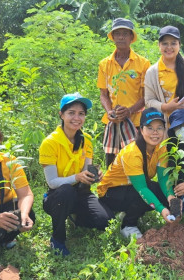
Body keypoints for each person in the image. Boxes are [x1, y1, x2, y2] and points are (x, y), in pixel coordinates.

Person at [39, 92, 114, 256]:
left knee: (105, 220)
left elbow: (86, 171)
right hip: (57, 195)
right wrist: (76, 177)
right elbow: (52, 182)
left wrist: (93, 176)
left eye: (81, 113)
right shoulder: (50, 143)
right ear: (61, 114)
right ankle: (57, 239)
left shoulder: (86, 140)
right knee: (66, 191)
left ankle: (74, 215)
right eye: (71, 113)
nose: (76, 118)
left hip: (80, 192)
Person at [98, 108, 175, 239]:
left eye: (160, 128)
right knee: (146, 191)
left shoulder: (161, 148)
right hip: (110, 193)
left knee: (161, 191)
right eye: (150, 128)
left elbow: (163, 178)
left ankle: (130, 212)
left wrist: (171, 198)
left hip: (130, 188)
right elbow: (142, 188)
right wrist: (161, 209)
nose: (155, 132)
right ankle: (128, 225)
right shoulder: (132, 153)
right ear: (140, 130)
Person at [98, 18, 151, 167]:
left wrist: (129, 111)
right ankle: (110, 190)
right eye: (118, 34)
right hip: (113, 122)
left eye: (125, 34)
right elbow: (103, 94)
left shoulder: (143, 63)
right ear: (113, 37)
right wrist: (109, 111)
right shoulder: (105, 64)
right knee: (112, 163)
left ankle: (137, 189)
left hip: (136, 122)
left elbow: (146, 95)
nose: (121, 37)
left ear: (131, 38)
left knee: (136, 161)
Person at [0, 122, 35, 252]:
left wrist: (24, 214)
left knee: (28, 213)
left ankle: (4, 238)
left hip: (5, 206)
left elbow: (25, 194)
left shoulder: (10, 162)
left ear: (0, 142)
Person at [144, 25, 184, 128]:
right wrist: (166, 107)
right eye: (165, 43)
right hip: (166, 127)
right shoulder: (152, 72)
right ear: (159, 45)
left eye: (173, 43)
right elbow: (148, 101)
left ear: (179, 45)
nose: (169, 47)